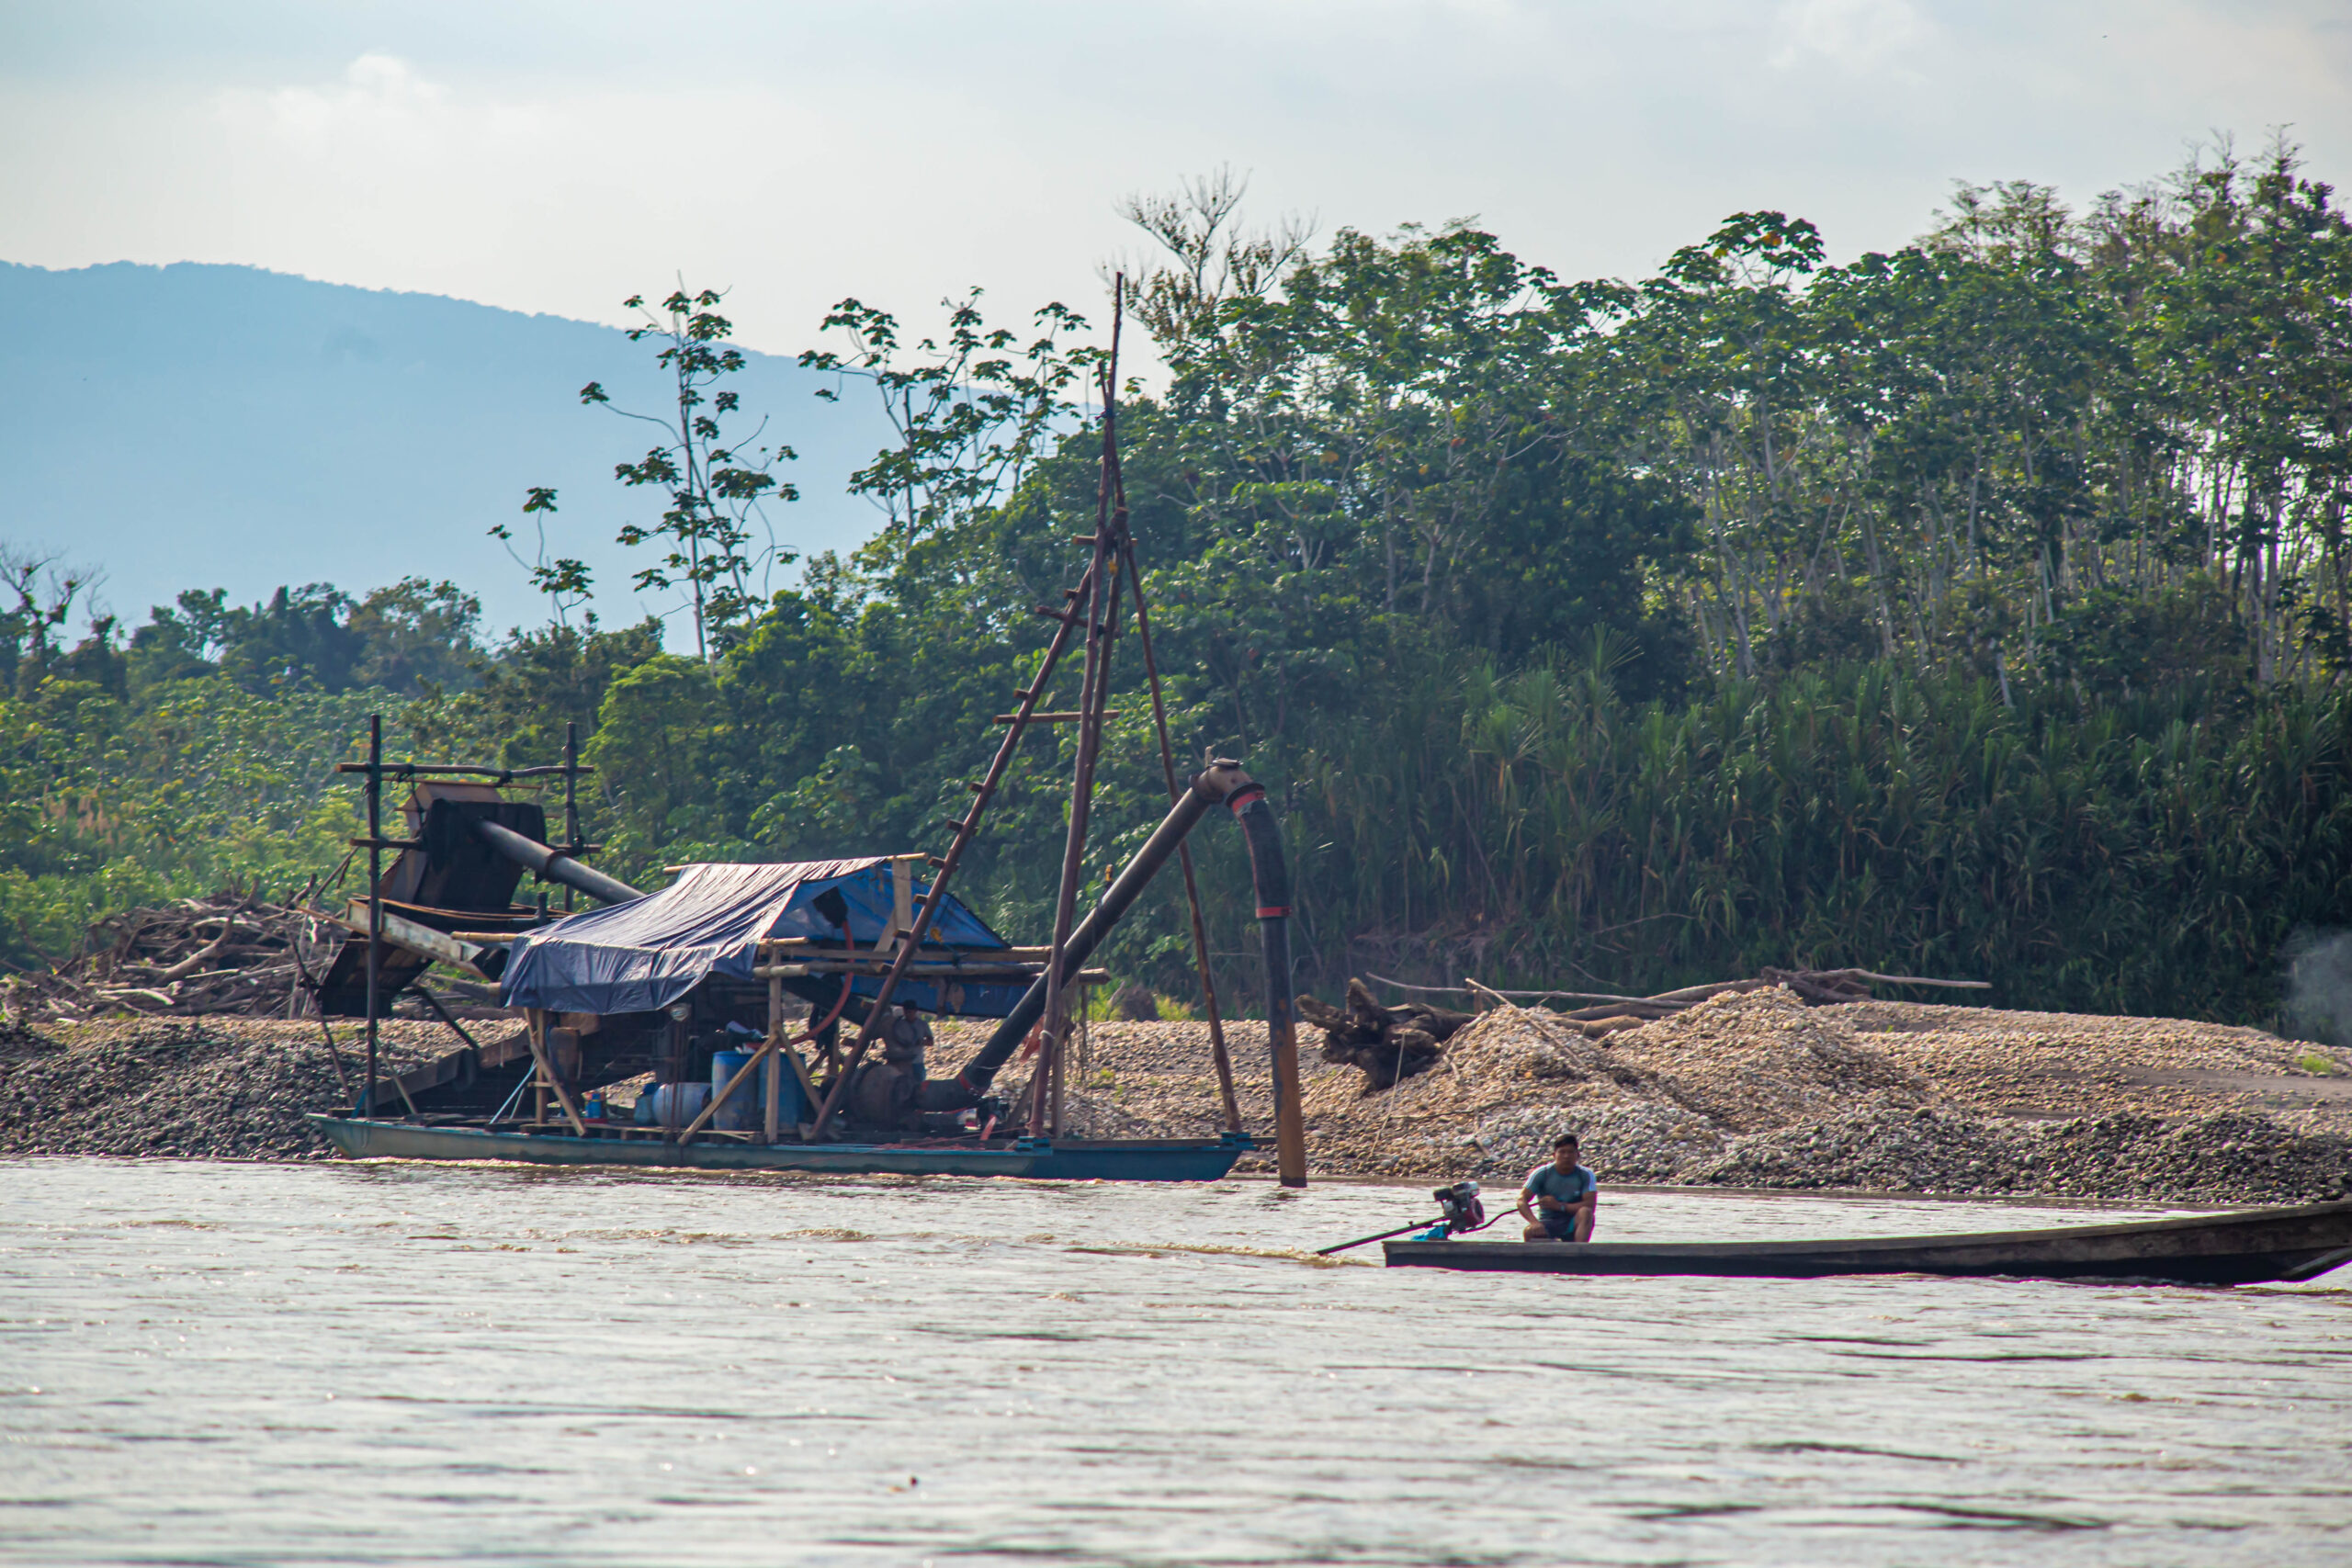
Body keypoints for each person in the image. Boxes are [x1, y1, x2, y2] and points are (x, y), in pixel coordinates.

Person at [1519, 1132, 1599, 1242]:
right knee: (1529, 1231)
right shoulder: (1542, 1173)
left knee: (1586, 1212)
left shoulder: (1586, 1174)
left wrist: (1559, 1206)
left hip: (1573, 1223)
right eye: (1562, 1152)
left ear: (1577, 1155)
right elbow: (1522, 1200)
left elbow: (1590, 1205)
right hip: (1548, 1222)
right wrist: (1534, 1223)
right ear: (1554, 1155)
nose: (1566, 1156)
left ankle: (1579, 1253)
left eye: (1570, 1152)